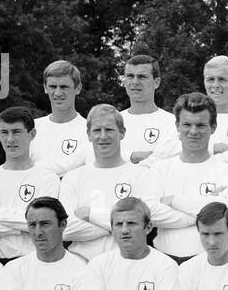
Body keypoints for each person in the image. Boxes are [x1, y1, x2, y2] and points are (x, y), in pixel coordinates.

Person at [59, 104, 161, 262]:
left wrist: (91, 215)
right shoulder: (72, 178)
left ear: (122, 133)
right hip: (81, 263)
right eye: (97, 130)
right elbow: (65, 230)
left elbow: (145, 224)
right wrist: (123, 225)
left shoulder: (142, 176)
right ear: (88, 135)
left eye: (109, 130)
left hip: (128, 264)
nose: (103, 136)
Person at [149, 93, 228, 264]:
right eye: (187, 124)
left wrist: (174, 200)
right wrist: (200, 213)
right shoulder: (159, 170)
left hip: (209, 261)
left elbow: (219, 215)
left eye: (200, 125)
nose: (193, 131)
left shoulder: (227, 170)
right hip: (163, 260)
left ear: (213, 127)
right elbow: (151, 214)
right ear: (177, 126)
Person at [0, 106, 61, 263]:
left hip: (30, 262)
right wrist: (20, 226)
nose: (10, 139)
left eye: (16, 132)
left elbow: (43, 224)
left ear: (32, 134)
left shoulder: (48, 178)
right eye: (5, 132)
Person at [117, 53, 179, 166]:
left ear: (156, 82)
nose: (135, 82)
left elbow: (168, 161)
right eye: (130, 76)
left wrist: (120, 157)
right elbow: (97, 156)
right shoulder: (112, 121)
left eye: (142, 77)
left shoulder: (172, 123)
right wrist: (132, 156)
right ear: (124, 81)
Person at [31, 60, 88, 177]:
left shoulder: (89, 130)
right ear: (45, 88)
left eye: (64, 87)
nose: (57, 93)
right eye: (52, 86)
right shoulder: (32, 128)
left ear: (78, 88)